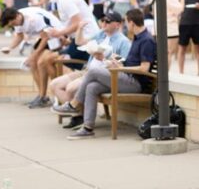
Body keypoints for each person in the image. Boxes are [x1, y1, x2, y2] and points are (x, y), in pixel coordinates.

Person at [62, 9, 156, 139]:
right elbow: (130, 62)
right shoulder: (137, 38)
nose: (126, 26)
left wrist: (121, 69)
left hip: (135, 83)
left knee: (94, 71)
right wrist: (117, 63)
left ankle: (74, 104)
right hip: (126, 77)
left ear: (132, 23)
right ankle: (88, 128)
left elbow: (144, 69)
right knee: (92, 87)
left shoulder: (146, 40)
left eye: (127, 23)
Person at [0, 4, 65, 107]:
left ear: (17, 16)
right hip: (45, 37)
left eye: (13, 23)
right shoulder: (17, 20)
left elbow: (45, 38)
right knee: (32, 64)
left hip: (55, 35)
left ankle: (57, 94)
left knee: (41, 62)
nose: (14, 26)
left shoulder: (34, 18)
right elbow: (20, 36)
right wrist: (10, 48)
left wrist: (34, 55)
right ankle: (42, 96)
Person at [30, 0, 101, 62]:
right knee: (46, 60)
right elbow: (74, 22)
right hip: (84, 39)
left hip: (86, 41)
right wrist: (63, 35)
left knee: (48, 60)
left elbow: (77, 23)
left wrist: (59, 33)